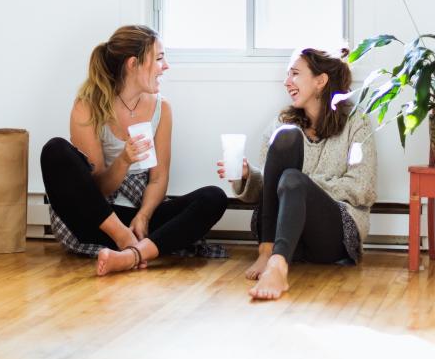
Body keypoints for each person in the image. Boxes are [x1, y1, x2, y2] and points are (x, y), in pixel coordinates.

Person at [42, 25, 228, 276]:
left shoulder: (163, 109)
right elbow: (96, 189)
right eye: (160, 58)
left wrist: (143, 216)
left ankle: (133, 255)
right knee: (55, 149)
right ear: (133, 64)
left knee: (214, 197)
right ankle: (124, 240)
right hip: (99, 218)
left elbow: (159, 178)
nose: (166, 66)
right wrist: (124, 160)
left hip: (140, 217)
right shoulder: (87, 106)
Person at [217, 48, 377, 300]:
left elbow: (362, 187)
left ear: (320, 81)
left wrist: (303, 187)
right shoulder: (282, 122)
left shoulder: (356, 122)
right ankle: (267, 251)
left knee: (292, 180)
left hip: (330, 237)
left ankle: (277, 267)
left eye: (294, 73)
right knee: (287, 138)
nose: (286, 81)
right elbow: (268, 191)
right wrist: (246, 176)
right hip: (285, 234)